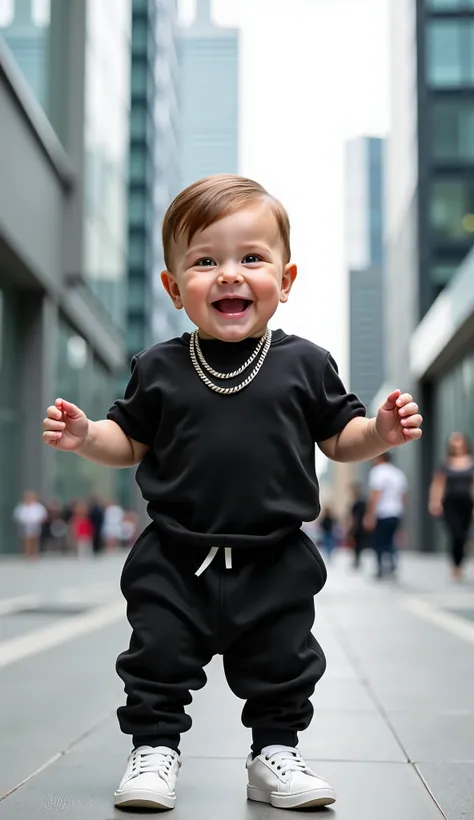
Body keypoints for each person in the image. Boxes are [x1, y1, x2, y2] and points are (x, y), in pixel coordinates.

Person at [42, 174, 423, 811]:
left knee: (283, 663)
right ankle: (154, 749)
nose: (229, 274)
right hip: (176, 555)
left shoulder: (306, 364)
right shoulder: (159, 367)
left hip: (273, 556)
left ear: (287, 278)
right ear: (172, 287)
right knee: (156, 654)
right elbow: (127, 441)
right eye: (205, 261)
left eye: (252, 258)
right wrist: (87, 437)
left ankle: (274, 754)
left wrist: (377, 433)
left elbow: (339, 438)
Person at [429, 432, 474, 581]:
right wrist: (435, 502)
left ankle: (459, 565)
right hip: (450, 504)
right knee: (456, 533)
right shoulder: (446, 463)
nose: (457, 444)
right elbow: (438, 484)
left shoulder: (471, 462)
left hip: (467, 503)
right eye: (454, 441)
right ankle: (455, 566)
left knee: (464, 535)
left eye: (459, 440)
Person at [365, 452, 408, 579]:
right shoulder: (398, 473)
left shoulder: (378, 472)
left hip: (382, 512)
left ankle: (380, 568)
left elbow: (375, 494)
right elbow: (403, 495)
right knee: (391, 540)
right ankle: (392, 564)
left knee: (379, 541)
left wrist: (370, 515)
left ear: (380, 457)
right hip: (396, 512)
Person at [12, 490, 47, 559]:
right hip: (25, 525)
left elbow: (43, 515)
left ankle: (34, 554)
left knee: (35, 539)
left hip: (35, 525)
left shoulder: (38, 506)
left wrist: (37, 520)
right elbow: (17, 515)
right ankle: (27, 553)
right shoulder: (21, 506)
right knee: (26, 540)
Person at [347, 483, 368, 569]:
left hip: (357, 526)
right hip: (361, 525)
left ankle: (357, 560)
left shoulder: (356, 503)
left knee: (356, 544)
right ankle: (357, 560)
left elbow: (354, 517)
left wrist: (352, 527)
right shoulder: (363, 501)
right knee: (358, 544)